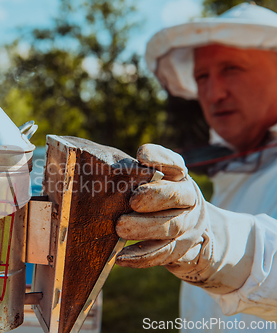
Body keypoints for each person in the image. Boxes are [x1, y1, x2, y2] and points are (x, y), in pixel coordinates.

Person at [115, 3, 277, 332]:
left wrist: (208, 238)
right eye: (202, 76)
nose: (214, 92)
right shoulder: (230, 171)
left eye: (232, 68)